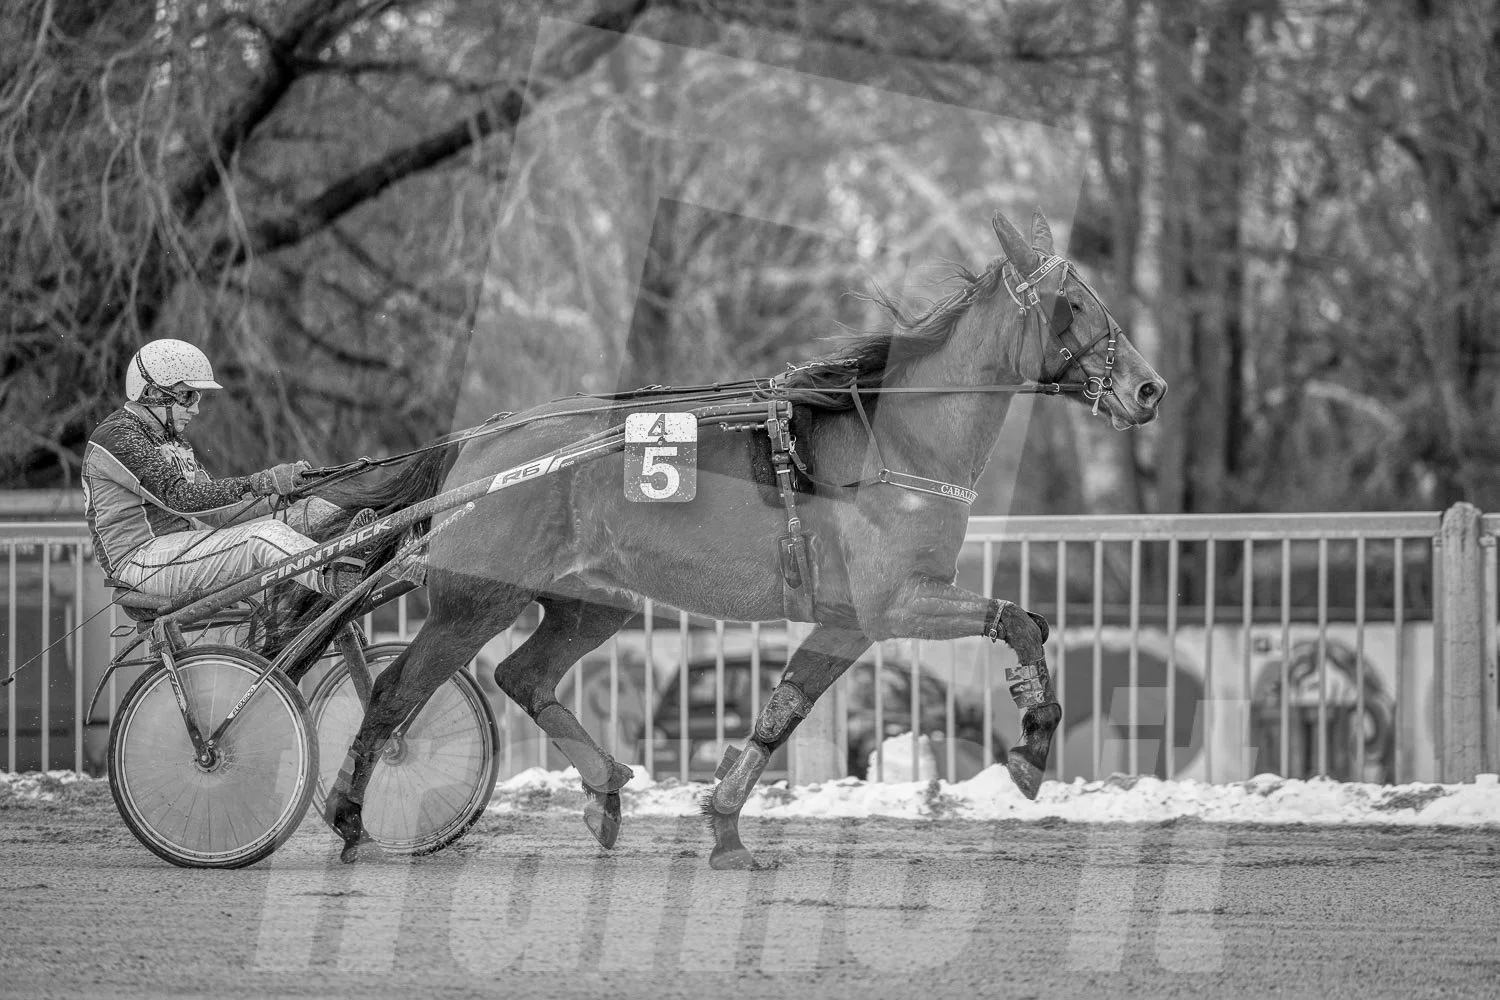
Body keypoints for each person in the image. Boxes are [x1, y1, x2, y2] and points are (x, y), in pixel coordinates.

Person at [81, 338, 377, 604]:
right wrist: (262, 482)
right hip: (140, 560)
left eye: (196, 398)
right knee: (263, 536)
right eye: (188, 396)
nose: (195, 409)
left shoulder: (173, 439)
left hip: (181, 547)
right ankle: (331, 578)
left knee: (307, 511)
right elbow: (181, 498)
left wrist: (280, 496)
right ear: (150, 392)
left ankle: (412, 564)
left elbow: (215, 513)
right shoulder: (118, 436)